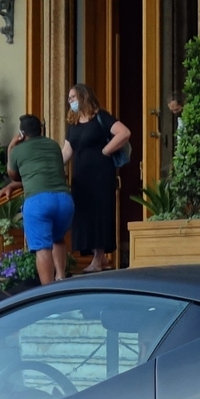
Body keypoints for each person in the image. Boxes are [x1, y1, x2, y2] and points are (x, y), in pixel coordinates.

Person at [63, 83, 130, 273]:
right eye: (69, 99)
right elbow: (67, 150)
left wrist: (105, 151)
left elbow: (124, 132)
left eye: (73, 98)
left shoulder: (101, 116)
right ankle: (95, 257)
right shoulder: (73, 124)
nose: (71, 102)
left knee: (100, 214)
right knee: (84, 214)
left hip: (100, 174)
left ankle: (98, 259)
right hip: (81, 176)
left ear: (84, 97)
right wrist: (52, 166)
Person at [7, 113, 76, 285]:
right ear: (41, 130)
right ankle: (61, 277)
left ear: (22, 133)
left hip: (38, 202)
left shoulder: (18, 150)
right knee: (57, 238)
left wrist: (10, 148)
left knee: (42, 248)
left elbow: (13, 175)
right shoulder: (53, 145)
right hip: (64, 201)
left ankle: (48, 291)